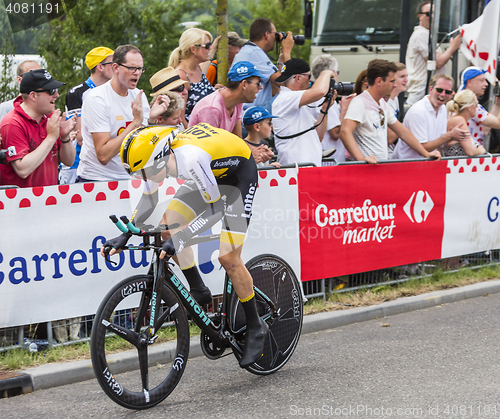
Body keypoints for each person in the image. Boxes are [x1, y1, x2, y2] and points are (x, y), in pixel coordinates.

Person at [102, 122, 268, 368]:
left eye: (144, 173)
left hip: (239, 177)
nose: (143, 178)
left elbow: (215, 209)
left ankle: (256, 326)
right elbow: (149, 199)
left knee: (228, 258)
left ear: (160, 159)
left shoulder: (190, 158)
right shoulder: (154, 160)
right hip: (210, 176)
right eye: (138, 175)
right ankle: (198, 290)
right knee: (168, 229)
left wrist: (184, 237)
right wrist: (127, 234)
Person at [340, 59, 441, 164]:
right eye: (392, 81)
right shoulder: (359, 102)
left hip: (379, 167)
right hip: (366, 170)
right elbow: (345, 132)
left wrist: (426, 153)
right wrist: (361, 159)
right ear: (379, 81)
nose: (395, 85)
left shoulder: (382, 103)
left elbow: (402, 131)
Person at [77, 44, 150, 182]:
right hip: (97, 179)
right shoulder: (97, 98)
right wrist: (135, 123)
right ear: (115, 67)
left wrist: (153, 120)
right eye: (132, 68)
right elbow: (103, 155)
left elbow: (141, 143)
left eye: (140, 68)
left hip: (130, 178)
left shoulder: (138, 96)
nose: (137, 73)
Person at [0, 69, 76, 188]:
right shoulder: (12, 123)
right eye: (51, 91)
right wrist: (51, 137)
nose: (56, 95)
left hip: (48, 198)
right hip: (21, 202)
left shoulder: (50, 118)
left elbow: (69, 161)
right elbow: (22, 170)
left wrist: (65, 136)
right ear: (33, 95)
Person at [61, 46, 114, 185]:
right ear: (100, 67)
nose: (116, 67)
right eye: (112, 64)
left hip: (106, 162)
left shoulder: (113, 91)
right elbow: (80, 137)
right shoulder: (77, 93)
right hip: (76, 164)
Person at [272, 58, 335, 167]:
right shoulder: (286, 98)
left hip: (307, 167)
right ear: (298, 78)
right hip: (296, 169)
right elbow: (319, 91)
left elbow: (318, 136)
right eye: (309, 76)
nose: (311, 81)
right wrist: (326, 72)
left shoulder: (296, 102)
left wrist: (324, 109)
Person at [392, 74, 468, 160]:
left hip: (424, 163)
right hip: (406, 164)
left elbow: (439, 143)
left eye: (447, 92)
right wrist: (449, 136)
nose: (443, 94)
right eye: (439, 90)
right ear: (431, 89)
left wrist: (454, 138)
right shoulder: (418, 111)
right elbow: (423, 147)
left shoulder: (442, 109)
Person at [406, 0, 462, 106]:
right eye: (428, 14)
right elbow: (438, 62)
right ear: (419, 16)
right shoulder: (421, 34)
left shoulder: (427, 34)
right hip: (422, 91)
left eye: (435, 14)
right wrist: (453, 47)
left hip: (428, 90)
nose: (432, 17)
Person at [232, 18, 294, 112]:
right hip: (251, 112)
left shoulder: (250, 50)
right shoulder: (254, 53)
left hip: (246, 110)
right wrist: (287, 51)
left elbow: (277, 84)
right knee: (296, 98)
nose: (276, 38)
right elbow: (286, 82)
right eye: (275, 34)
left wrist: (281, 59)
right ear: (267, 35)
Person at [188, 61, 262, 137]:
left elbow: (237, 141)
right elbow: (209, 147)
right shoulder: (212, 108)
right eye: (258, 84)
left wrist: (253, 149)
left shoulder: (237, 101)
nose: (261, 87)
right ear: (244, 84)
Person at [311, 54, 354, 164]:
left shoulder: (311, 94)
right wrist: (345, 109)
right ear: (332, 73)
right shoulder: (326, 96)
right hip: (329, 160)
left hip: (321, 156)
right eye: (337, 72)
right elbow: (335, 133)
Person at [168, 28, 218, 122]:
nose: (210, 48)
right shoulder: (180, 76)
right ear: (193, 49)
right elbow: (180, 119)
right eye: (207, 45)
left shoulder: (197, 68)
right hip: (193, 133)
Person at [459, 66, 500, 147]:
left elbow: (485, 130)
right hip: (469, 153)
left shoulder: (466, 102)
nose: (486, 84)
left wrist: (497, 104)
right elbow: (498, 124)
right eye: (482, 80)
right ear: (469, 82)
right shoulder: (469, 104)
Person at [442, 89, 487, 156]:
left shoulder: (455, 118)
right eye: (476, 104)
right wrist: (481, 150)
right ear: (469, 107)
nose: (477, 107)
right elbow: (471, 151)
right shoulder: (459, 120)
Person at [386, 63, 408, 157]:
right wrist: (408, 122)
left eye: (407, 76)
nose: (406, 80)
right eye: (402, 76)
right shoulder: (385, 101)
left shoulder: (395, 99)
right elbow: (389, 138)